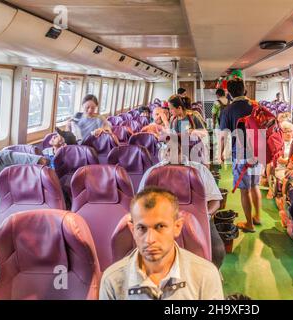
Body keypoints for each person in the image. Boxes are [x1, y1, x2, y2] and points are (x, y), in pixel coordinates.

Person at [100, 187, 224, 300]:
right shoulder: (112, 281)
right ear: (132, 230)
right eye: (141, 228)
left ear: (177, 227)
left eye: (160, 226)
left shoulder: (205, 275)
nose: (149, 239)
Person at [138, 135, 225, 268]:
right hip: (159, 222)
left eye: (175, 150)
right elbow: (140, 202)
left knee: (217, 251)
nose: (169, 154)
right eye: (167, 150)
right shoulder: (152, 173)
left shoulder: (200, 170)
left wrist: (205, 216)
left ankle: (211, 273)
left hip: (198, 219)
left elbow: (215, 201)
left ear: (182, 152)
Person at [219, 78, 262, 232]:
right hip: (259, 151)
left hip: (241, 154)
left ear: (228, 93)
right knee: (255, 185)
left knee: (245, 190)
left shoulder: (227, 111)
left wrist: (221, 153)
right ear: (244, 89)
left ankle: (249, 224)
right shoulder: (255, 105)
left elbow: (223, 135)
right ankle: (257, 216)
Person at [266, 121, 293, 200]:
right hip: (282, 168)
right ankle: (283, 199)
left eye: (290, 131)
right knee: (287, 179)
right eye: (286, 132)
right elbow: (280, 160)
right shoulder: (278, 142)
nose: (289, 134)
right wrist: (292, 161)